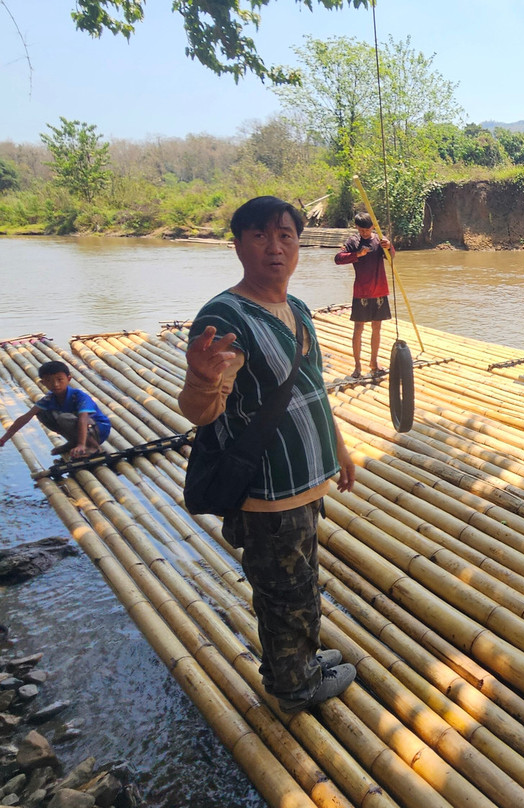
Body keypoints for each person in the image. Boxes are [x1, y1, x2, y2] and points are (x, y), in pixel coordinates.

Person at [178, 195, 357, 713]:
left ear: (298, 243)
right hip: (267, 492)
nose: (275, 248)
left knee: (301, 581)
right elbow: (201, 412)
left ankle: (300, 659)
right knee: (285, 592)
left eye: (285, 235)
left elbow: (313, 387)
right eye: (260, 236)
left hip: (305, 483)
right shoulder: (224, 316)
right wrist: (201, 378)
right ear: (238, 245)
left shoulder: (296, 307)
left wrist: (338, 449)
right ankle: (293, 686)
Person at [0, 361, 111, 458]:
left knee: (64, 418)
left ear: (68, 379)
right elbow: (26, 417)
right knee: (42, 413)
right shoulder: (49, 398)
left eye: (59, 380)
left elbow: (83, 419)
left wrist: (81, 444)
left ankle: (92, 447)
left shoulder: (79, 396)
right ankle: (74, 442)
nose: (55, 384)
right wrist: (4, 439)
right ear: (43, 383)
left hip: (98, 429)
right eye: (49, 381)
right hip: (81, 428)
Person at [334, 212, 395, 378]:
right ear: (357, 228)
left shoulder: (379, 240)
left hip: (379, 290)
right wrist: (356, 255)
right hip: (362, 292)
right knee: (358, 328)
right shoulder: (353, 242)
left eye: (367, 230)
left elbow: (391, 258)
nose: (364, 234)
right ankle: (357, 366)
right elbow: (338, 258)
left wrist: (389, 246)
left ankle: (374, 362)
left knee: (377, 328)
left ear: (372, 227)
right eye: (361, 231)